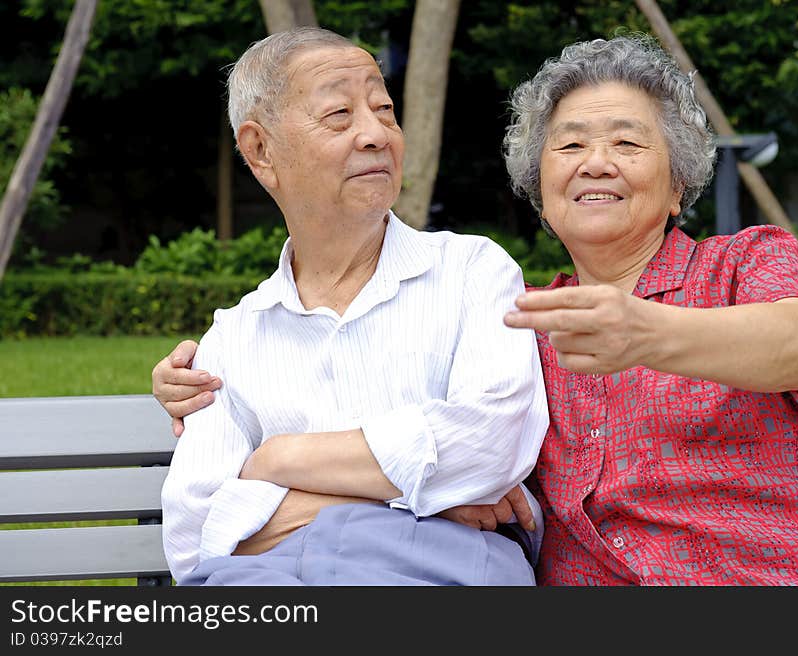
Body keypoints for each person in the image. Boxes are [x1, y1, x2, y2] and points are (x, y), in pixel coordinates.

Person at [155, 33, 798, 585]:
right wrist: (416, 496)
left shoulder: (739, 263)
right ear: (543, 185)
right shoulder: (528, 317)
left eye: (627, 142)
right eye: (570, 145)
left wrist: (649, 332)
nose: (596, 161)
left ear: (676, 184)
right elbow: (197, 525)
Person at [157, 26, 550, 587]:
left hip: (441, 573)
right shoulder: (235, 337)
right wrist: (422, 497)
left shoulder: (472, 272)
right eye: (339, 115)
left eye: (384, 109)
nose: (375, 134)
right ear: (261, 150)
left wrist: (277, 461)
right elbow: (194, 536)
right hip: (267, 584)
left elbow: (491, 448)